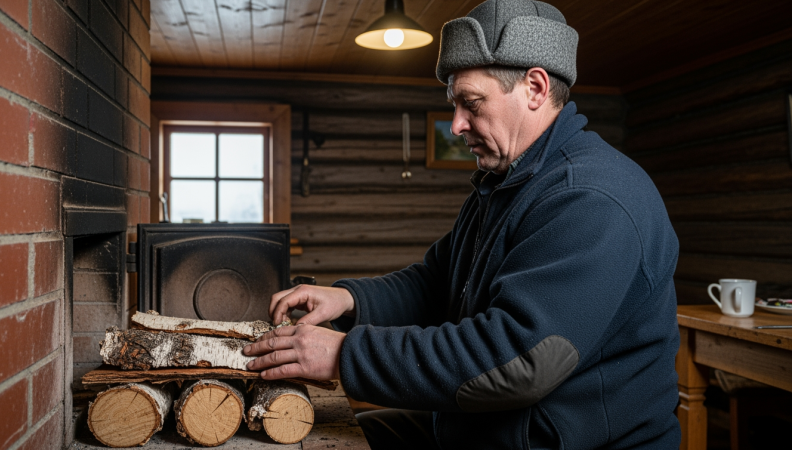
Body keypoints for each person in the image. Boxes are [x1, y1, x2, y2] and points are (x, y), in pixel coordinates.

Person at [242, 0, 682, 448]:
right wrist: (350, 299)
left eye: (471, 103)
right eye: (455, 104)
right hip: (478, 429)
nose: (456, 125)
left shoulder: (591, 198)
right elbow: (437, 284)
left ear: (534, 87)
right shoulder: (506, 182)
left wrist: (342, 355)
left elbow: (515, 359)